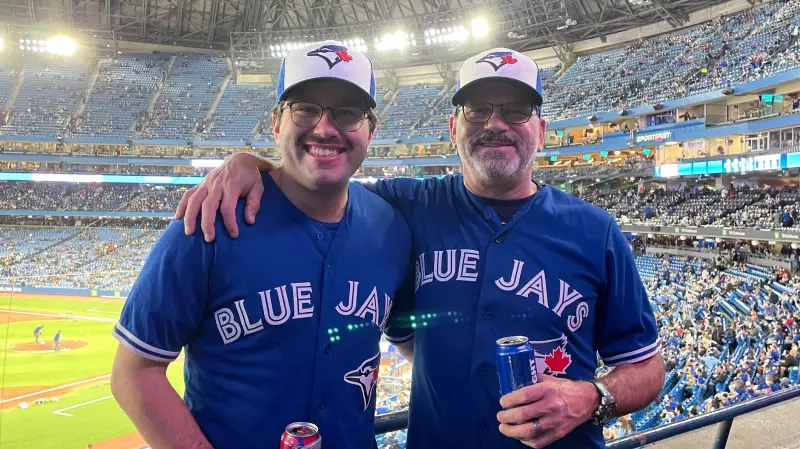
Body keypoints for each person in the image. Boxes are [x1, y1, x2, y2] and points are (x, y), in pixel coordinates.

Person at [176, 48, 665, 449]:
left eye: (515, 110)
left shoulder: (595, 230)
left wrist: (592, 395)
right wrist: (247, 163)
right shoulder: (404, 205)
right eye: (477, 110)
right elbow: (318, 171)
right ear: (453, 128)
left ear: (540, 129)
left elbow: (646, 366)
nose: (496, 123)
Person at [111, 41, 412, 449]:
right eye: (305, 108)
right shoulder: (209, 219)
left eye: (348, 113)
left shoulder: (392, 225)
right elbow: (135, 373)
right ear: (276, 123)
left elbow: (416, 338)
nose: (325, 128)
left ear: (370, 132)